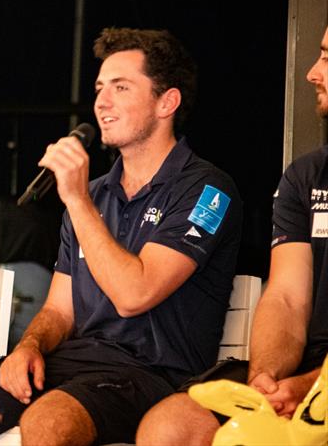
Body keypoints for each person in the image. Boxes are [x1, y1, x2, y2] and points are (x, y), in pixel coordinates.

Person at [0, 27, 243, 446]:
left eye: (121, 87)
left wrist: (76, 199)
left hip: (154, 374)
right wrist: (29, 345)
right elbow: (59, 310)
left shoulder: (205, 189)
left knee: (49, 422)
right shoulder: (96, 192)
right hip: (76, 363)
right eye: (100, 87)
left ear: (167, 102)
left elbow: (135, 294)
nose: (102, 101)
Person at [136, 25, 328, 445]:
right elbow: (286, 298)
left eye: (327, 58)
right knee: (168, 429)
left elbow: (138, 290)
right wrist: (267, 380)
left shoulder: (204, 186)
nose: (313, 72)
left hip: (321, 381)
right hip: (302, 373)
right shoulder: (305, 177)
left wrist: (315, 387)